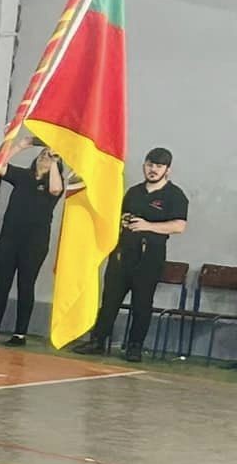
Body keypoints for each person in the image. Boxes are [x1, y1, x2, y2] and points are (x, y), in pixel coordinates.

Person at [78, 147, 188, 362]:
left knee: (142, 303)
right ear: (144, 166)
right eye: (150, 165)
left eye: (158, 166)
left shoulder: (175, 195)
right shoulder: (134, 192)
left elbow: (179, 226)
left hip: (149, 256)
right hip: (123, 253)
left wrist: (148, 225)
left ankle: (134, 346)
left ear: (168, 170)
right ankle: (98, 340)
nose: (153, 170)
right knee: (110, 299)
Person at [0, 145, 76, 345]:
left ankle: (19, 334)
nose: (44, 158)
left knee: (26, 285)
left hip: (34, 243)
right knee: (1, 284)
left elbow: (56, 189)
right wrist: (22, 145)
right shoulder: (23, 176)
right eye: (42, 154)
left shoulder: (55, 183)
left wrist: (56, 159)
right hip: (9, 237)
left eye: (49, 156)